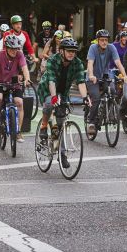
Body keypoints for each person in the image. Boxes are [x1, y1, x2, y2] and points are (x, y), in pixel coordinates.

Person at [37, 38, 88, 167]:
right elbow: (51, 80)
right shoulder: (53, 60)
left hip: (63, 92)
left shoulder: (77, 63)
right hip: (48, 88)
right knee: (49, 104)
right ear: (61, 51)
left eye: (74, 51)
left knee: (60, 123)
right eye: (69, 51)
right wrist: (54, 97)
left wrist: (85, 97)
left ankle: (62, 154)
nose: (72, 53)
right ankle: (43, 126)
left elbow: (81, 81)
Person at [0, 34, 31, 142]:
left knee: (19, 102)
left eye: (16, 48)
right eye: (11, 48)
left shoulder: (20, 55)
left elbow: (25, 68)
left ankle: (18, 132)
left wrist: (27, 79)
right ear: (6, 47)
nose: (14, 51)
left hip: (14, 84)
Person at [86, 29, 127, 136]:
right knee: (96, 98)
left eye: (106, 40)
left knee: (113, 91)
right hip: (93, 78)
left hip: (105, 75)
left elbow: (118, 62)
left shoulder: (111, 47)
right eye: (102, 40)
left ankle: (109, 112)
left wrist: (125, 75)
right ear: (97, 41)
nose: (104, 42)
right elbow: (90, 63)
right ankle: (91, 122)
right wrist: (91, 75)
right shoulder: (93, 48)